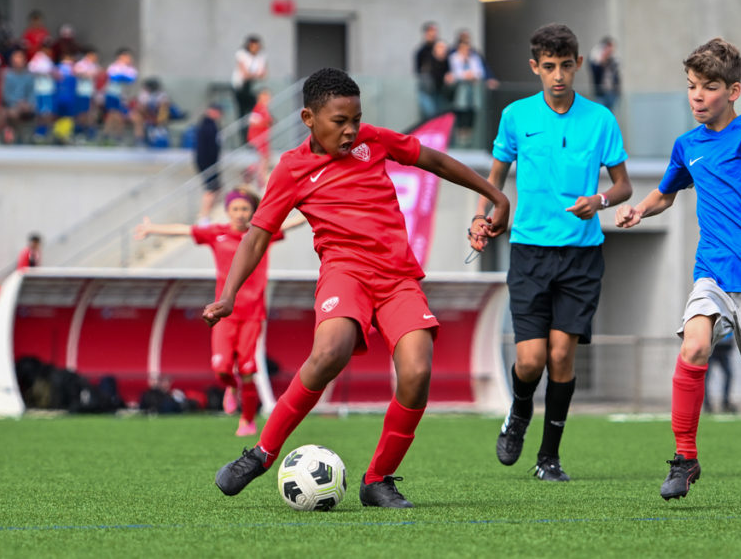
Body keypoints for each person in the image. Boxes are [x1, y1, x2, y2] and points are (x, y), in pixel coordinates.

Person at [207, 67, 509, 508]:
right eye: (339, 122)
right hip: (344, 273)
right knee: (331, 351)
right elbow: (256, 236)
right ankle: (261, 453)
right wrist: (228, 295)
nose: (351, 130)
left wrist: (496, 196)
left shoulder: (374, 141)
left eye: (356, 119)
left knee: (417, 373)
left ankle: (377, 480)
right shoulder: (291, 169)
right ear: (309, 118)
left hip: (397, 277)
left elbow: (436, 161)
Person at [614, 37, 741, 504]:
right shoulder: (687, 146)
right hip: (713, 271)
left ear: (733, 91)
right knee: (695, 345)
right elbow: (666, 193)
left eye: (708, 87)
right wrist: (639, 209)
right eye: (691, 86)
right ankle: (685, 458)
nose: (697, 96)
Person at [467, 23, 632, 482]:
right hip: (529, 253)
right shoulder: (515, 115)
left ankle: (549, 457)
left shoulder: (601, 120)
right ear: (534, 67)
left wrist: (599, 201)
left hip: (582, 257)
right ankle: (519, 412)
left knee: (561, 357)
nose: (557, 76)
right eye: (548, 67)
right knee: (530, 360)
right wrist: (480, 218)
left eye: (565, 66)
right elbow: (493, 180)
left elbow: (623, 186)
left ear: (578, 65)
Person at [135, 186, 307, 436]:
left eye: (245, 209)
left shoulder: (260, 234)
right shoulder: (217, 233)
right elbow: (186, 230)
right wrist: (152, 229)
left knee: (247, 369)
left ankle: (247, 421)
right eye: (235, 208)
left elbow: (292, 224)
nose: (240, 213)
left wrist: (316, 205)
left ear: (252, 211)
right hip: (224, 313)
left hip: (252, 314)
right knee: (222, 368)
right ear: (228, 211)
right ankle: (231, 386)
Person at [231, 34, 267, 138]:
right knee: (242, 112)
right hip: (241, 87)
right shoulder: (242, 54)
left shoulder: (260, 56)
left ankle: (251, 136)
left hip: (251, 86)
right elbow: (245, 73)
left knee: (253, 112)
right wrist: (255, 74)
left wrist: (254, 74)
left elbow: (263, 74)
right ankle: (243, 137)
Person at [194, 103, 222, 225]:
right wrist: (209, 165)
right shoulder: (207, 125)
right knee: (210, 189)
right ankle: (203, 216)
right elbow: (207, 148)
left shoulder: (210, 125)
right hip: (207, 163)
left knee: (217, 188)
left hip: (211, 163)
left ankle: (206, 214)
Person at [246, 88, 273, 188]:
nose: (269, 99)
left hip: (261, 140)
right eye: (266, 96)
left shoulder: (262, 109)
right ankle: (257, 180)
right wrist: (267, 122)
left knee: (263, 161)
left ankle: (258, 180)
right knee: (261, 162)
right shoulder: (259, 108)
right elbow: (254, 122)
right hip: (258, 140)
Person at [704, 333, 736, 413]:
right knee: (706, 377)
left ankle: (725, 402)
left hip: (723, 348)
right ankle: (707, 404)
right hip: (711, 348)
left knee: (728, 375)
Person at [588, 36, 620, 112]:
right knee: (601, 113)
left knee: (611, 114)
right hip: (600, 92)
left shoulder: (613, 59)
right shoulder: (595, 58)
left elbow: (616, 75)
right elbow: (595, 72)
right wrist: (603, 58)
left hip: (612, 92)